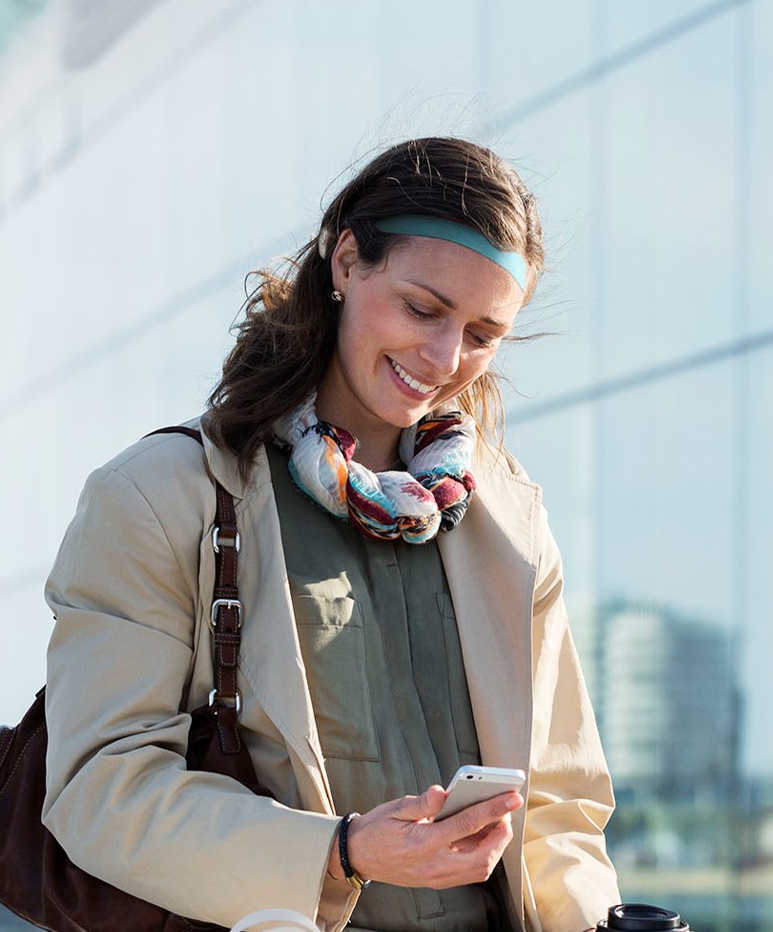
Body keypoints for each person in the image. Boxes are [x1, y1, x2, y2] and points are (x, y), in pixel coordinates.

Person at [41, 137, 619, 932]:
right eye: (422, 308)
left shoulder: (510, 524)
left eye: (483, 334)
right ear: (346, 262)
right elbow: (100, 788)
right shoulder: (158, 496)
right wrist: (341, 852)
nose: (445, 356)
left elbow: (558, 808)